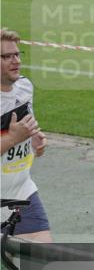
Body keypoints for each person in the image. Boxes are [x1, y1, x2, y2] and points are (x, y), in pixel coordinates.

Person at [1, 28, 51, 242]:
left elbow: (27, 124)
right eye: (7, 56)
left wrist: (34, 136)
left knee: (43, 257)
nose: (16, 61)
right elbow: (14, 135)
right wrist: (13, 138)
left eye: (18, 54)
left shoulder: (24, 87)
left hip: (21, 192)